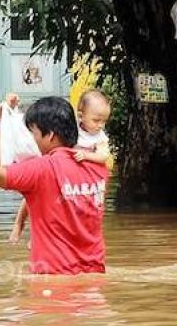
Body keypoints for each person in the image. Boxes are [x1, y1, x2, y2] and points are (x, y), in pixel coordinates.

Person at [0, 96, 110, 274]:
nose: (32, 139)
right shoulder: (99, 168)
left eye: (33, 133)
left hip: (53, 284)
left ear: (50, 135)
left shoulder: (42, 169)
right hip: (95, 279)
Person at [9, 89, 112, 246]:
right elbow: (40, 126)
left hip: (79, 175)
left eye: (104, 121)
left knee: (61, 206)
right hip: (61, 169)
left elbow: (104, 156)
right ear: (80, 116)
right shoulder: (72, 127)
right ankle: (19, 224)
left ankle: (43, 237)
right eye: (96, 120)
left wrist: (86, 156)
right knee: (32, 195)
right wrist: (12, 109)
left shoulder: (100, 137)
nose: (100, 126)